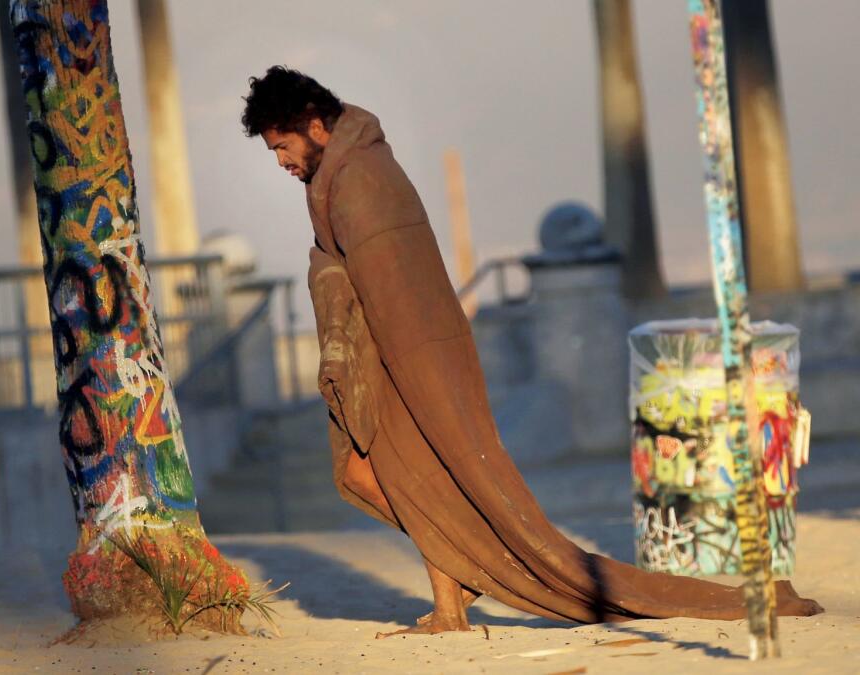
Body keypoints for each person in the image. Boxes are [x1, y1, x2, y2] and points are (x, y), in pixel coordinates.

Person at [240, 65, 822, 636]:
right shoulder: (342, 176)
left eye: (283, 146)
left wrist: (404, 372)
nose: (282, 161)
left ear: (316, 124)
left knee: (411, 479)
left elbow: (399, 288)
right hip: (386, 352)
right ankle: (456, 594)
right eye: (273, 152)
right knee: (396, 479)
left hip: (410, 356)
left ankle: (465, 581)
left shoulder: (361, 178)